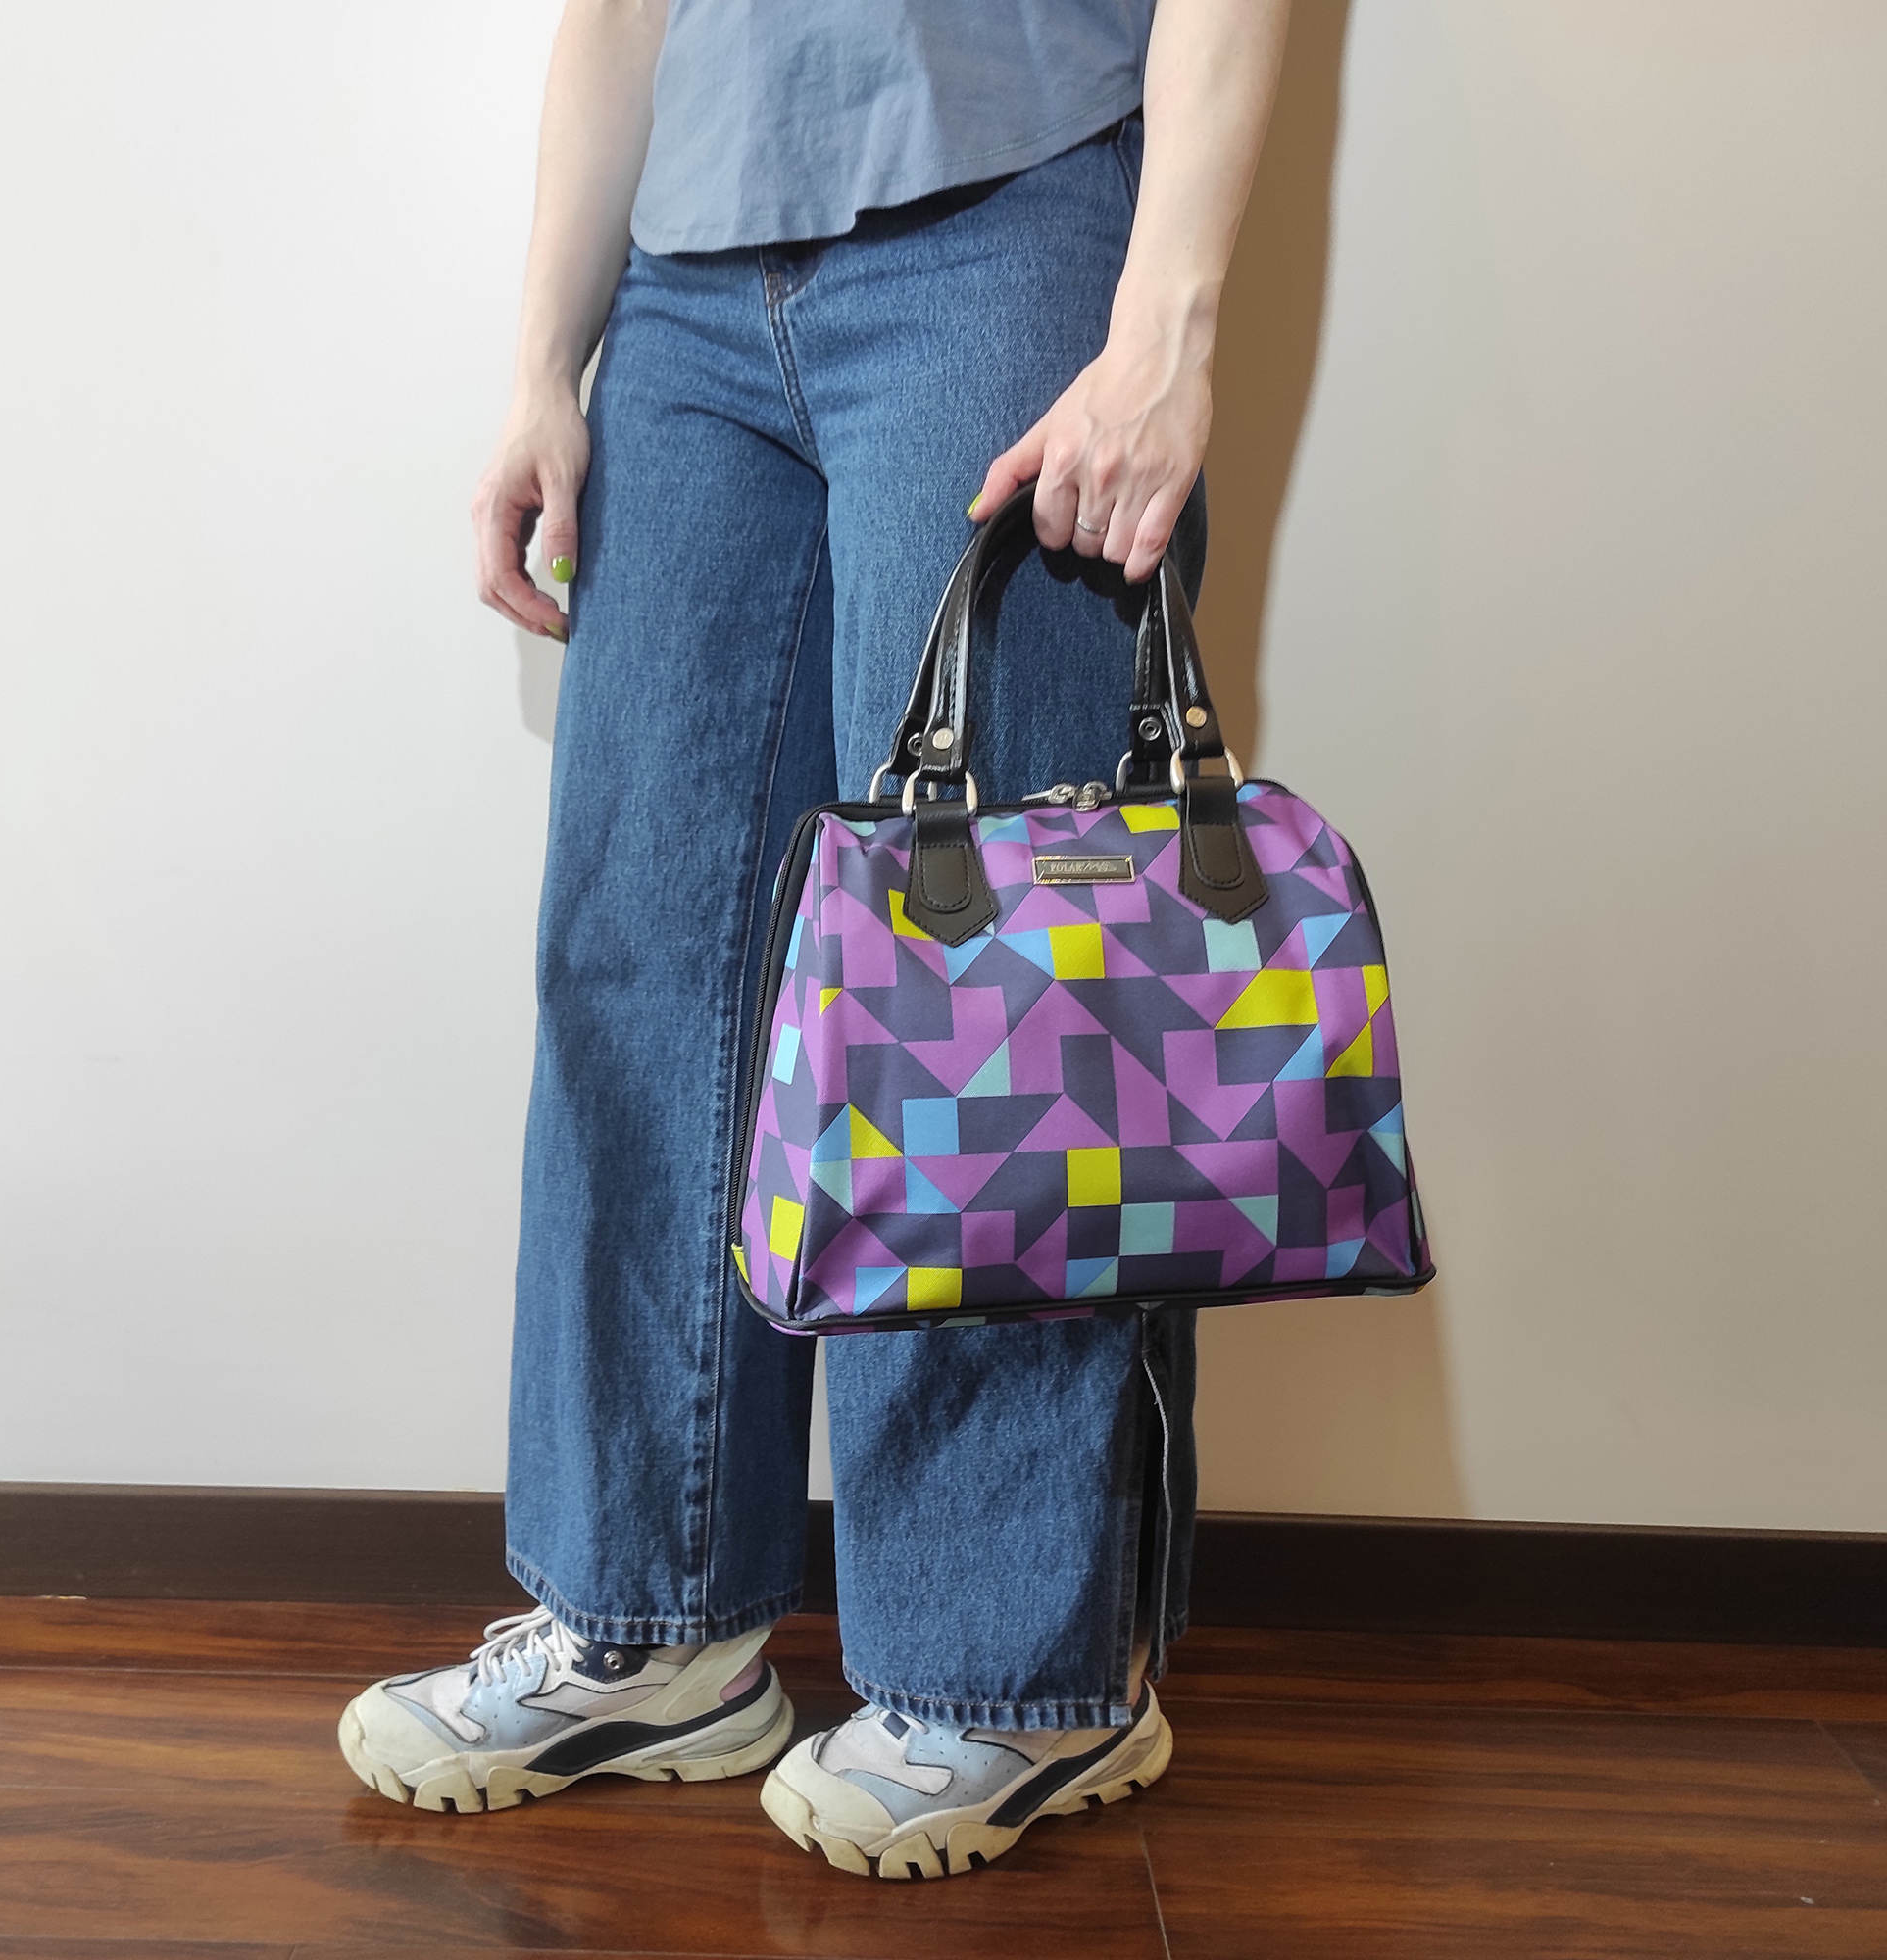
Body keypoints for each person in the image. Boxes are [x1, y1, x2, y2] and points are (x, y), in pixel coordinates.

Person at [338, 0, 1291, 1878]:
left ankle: (1023, 1677)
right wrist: (543, 363)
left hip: (1009, 217)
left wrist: (1167, 323)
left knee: (993, 993)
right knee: (645, 956)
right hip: (687, 281)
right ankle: (653, 1619)